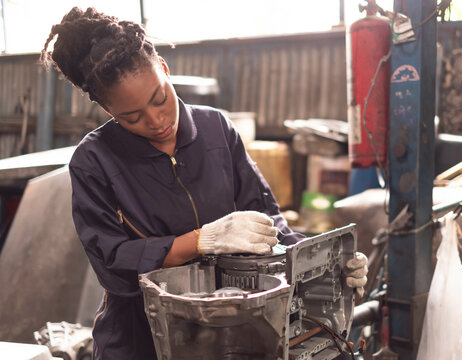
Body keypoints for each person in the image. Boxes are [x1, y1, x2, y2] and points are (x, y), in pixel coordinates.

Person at [41, 7, 368, 360]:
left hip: (230, 333)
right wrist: (200, 241)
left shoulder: (216, 130)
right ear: (109, 112)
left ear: (164, 69)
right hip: (140, 341)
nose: (156, 121)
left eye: (160, 98)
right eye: (132, 117)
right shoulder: (94, 161)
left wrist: (326, 265)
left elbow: (268, 222)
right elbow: (115, 266)